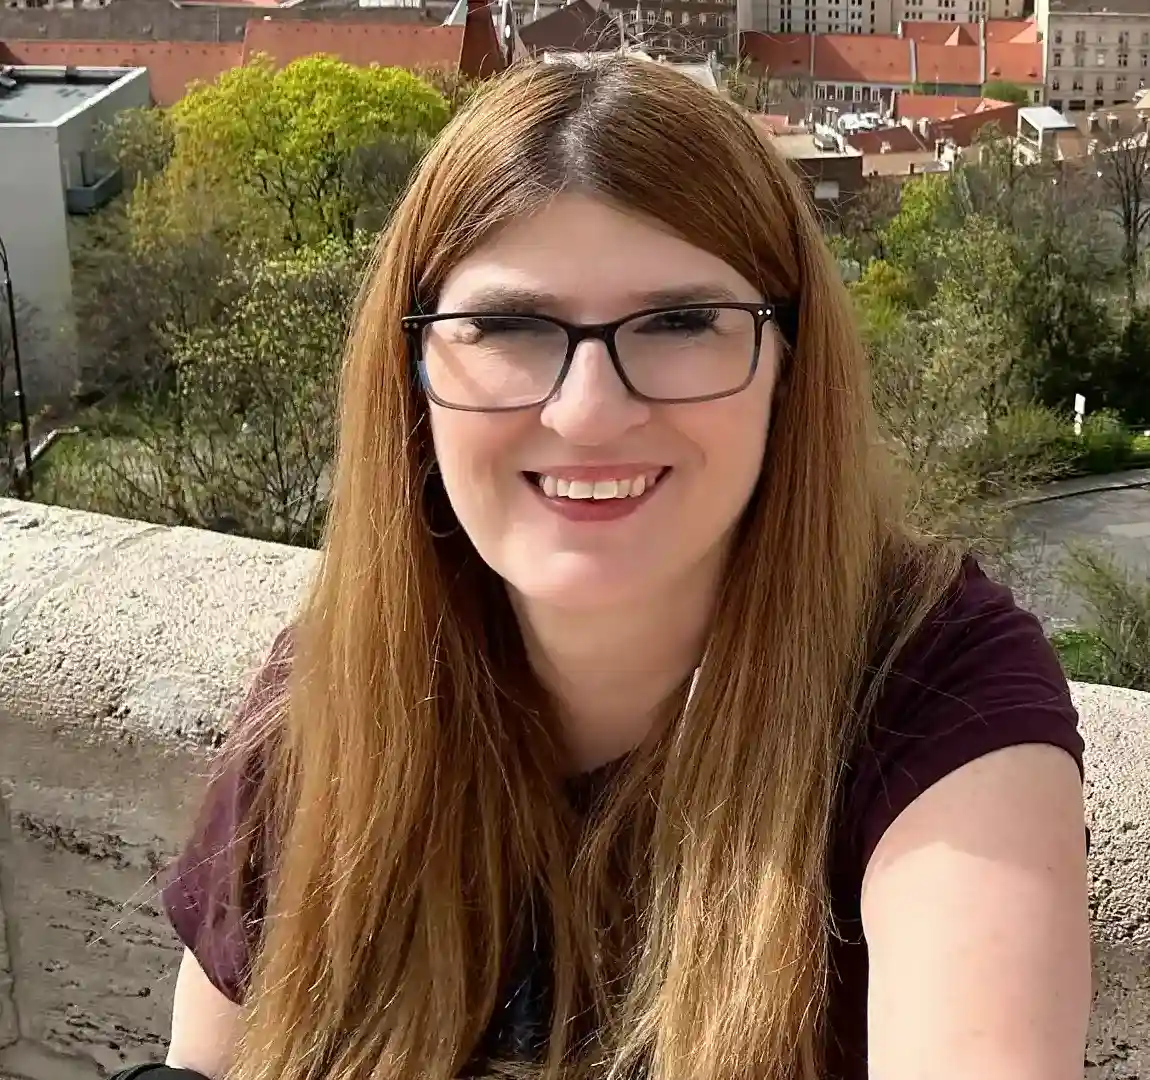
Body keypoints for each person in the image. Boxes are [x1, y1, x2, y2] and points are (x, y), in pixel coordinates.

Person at [144, 56, 1091, 1080]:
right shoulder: (339, 691)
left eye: (681, 322)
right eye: (508, 326)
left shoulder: (933, 696)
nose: (588, 411)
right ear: (410, 373)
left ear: (788, 362)